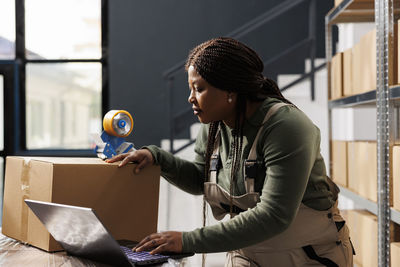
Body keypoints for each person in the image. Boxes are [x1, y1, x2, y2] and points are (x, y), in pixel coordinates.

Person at [107, 37, 354, 267]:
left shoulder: (286, 127)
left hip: (308, 255)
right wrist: (156, 158)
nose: (190, 98)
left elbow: (274, 215)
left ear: (230, 91)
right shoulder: (214, 125)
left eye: (199, 88)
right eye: (191, 89)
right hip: (247, 254)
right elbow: (199, 180)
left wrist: (186, 240)